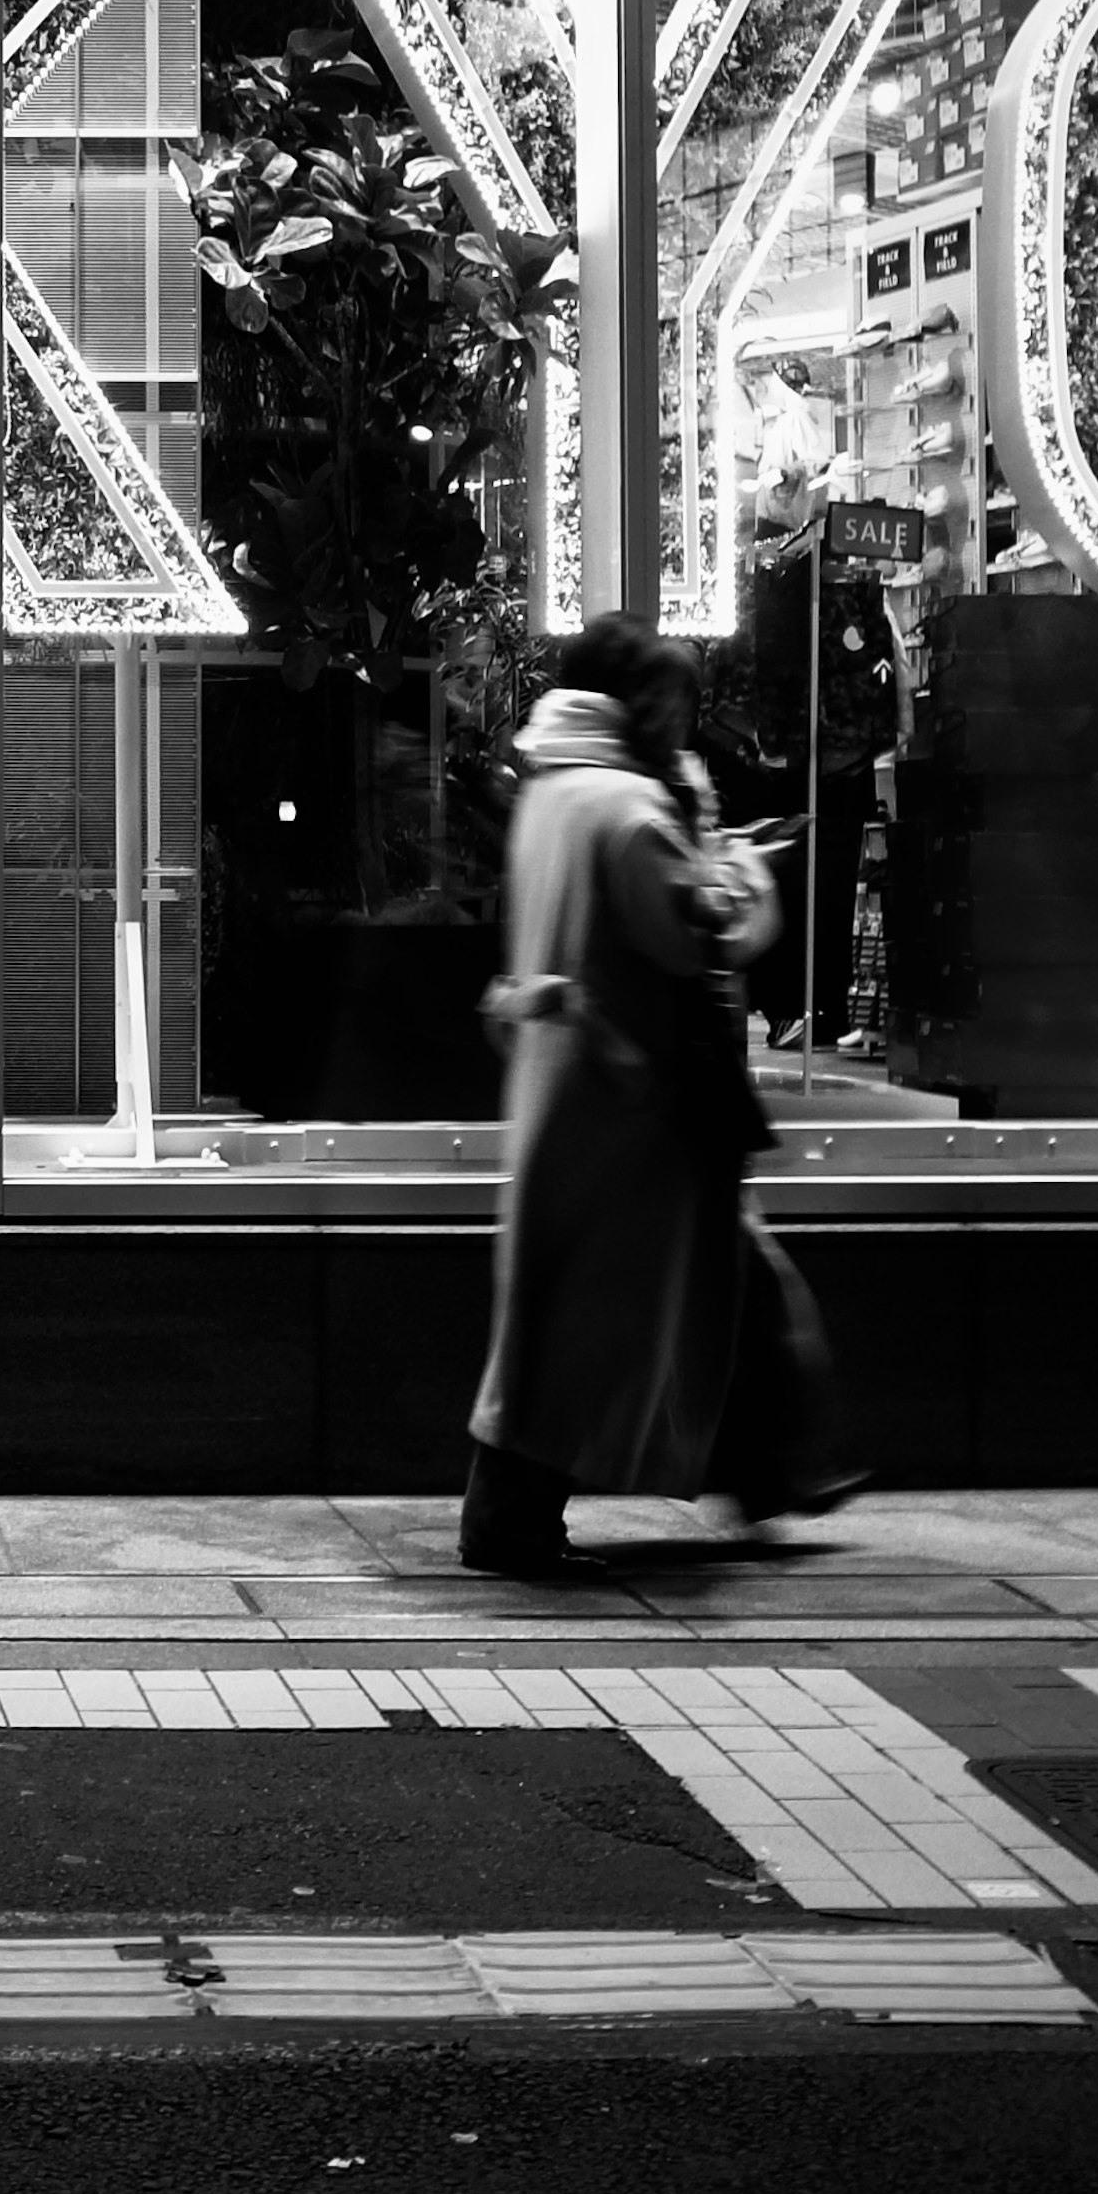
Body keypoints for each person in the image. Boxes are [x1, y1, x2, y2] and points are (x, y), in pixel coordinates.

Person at [463, 616, 855, 1577]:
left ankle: (770, 1468)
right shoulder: (633, 808)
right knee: (588, 1320)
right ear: (635, 705)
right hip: (631, 1103)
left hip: (577, 1090)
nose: (686, 722)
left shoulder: (555, 789)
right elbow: (695, 932)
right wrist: (747, 869)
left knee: (678, 1294)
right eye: (673, 702)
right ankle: (511, 1521)